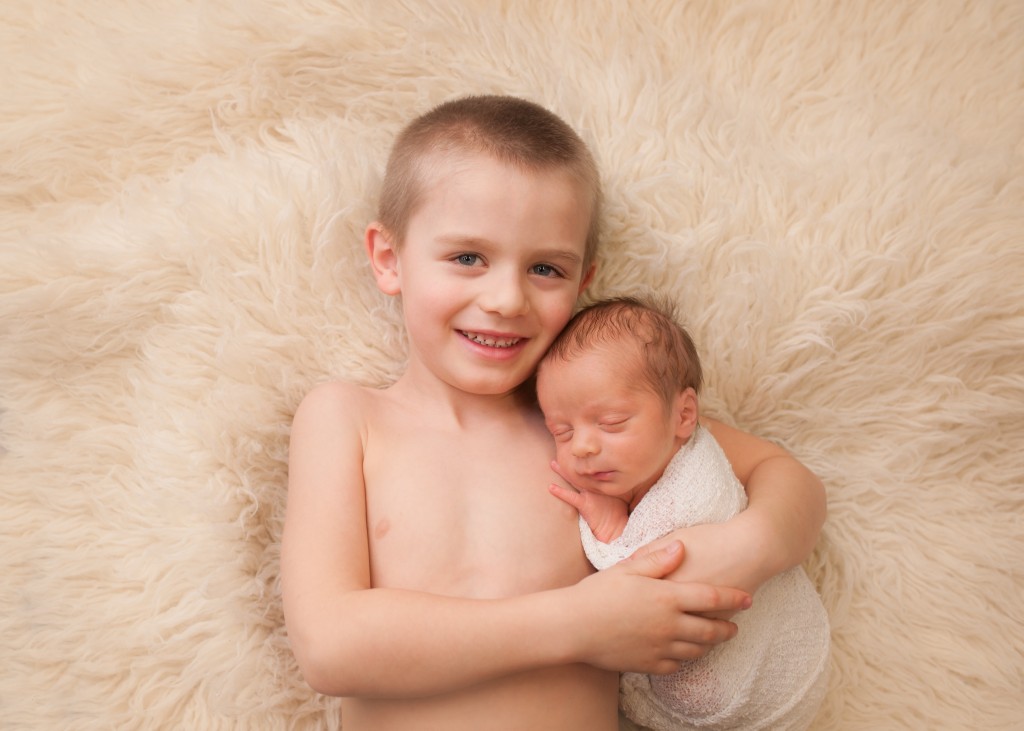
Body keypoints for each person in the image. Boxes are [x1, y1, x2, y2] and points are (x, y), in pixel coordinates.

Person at [280, 95, 826, 731]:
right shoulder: (349, 420)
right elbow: (330, 648)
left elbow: (792, 482)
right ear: (388, 258)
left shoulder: (589, 427)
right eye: (467, 258)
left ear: (583, 280)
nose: (507, 298)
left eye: (545, 268)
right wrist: (582, 624)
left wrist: (747, 547)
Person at [536, 296, 830, 731]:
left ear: (684, 415)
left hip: (770, 669)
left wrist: (611, 524)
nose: (581, 446)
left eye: (612, 421)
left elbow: (641, 576)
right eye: (561, 431)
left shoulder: (698, 480)